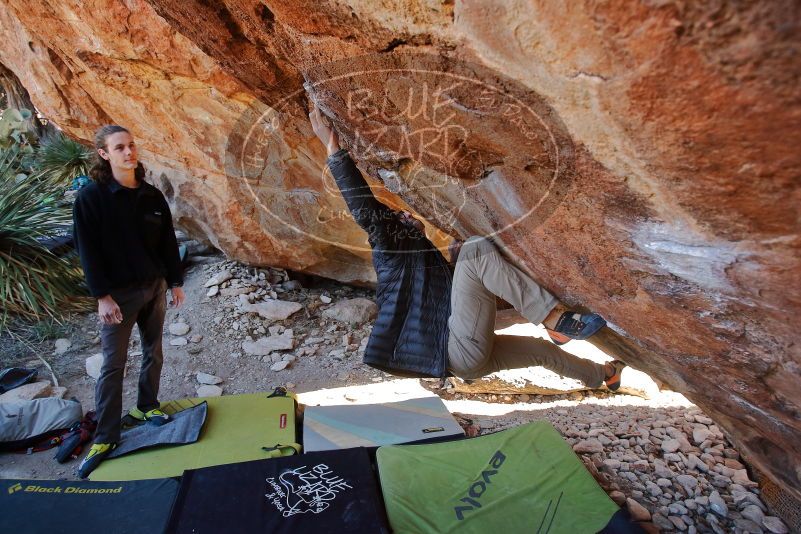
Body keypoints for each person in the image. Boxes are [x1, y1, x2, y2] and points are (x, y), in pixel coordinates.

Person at [308, 105, 625, 388]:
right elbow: (364, 209)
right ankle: (553, 319)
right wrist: (333, 148)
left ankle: (604, 375)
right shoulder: (392, 251)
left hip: (463, 356)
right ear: (394, 230)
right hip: (456, 349)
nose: (406, 214)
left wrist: (451, 262)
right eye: (400, 217)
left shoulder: (414, 262)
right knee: (475, 250)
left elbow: (446, 300)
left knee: (542, 352)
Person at [72, 125, 185, 478]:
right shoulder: (91, 198)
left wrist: (175, 281)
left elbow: (167, 239)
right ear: (104, 154)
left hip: (154, 287)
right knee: (113, 364)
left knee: (154, 350)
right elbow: (86, 251)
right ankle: (106, 436)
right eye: (119, 147)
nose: (128, 152)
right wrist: (102, 297)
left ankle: (147, 406)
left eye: (132, 145)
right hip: (117, 296)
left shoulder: (151, 196)